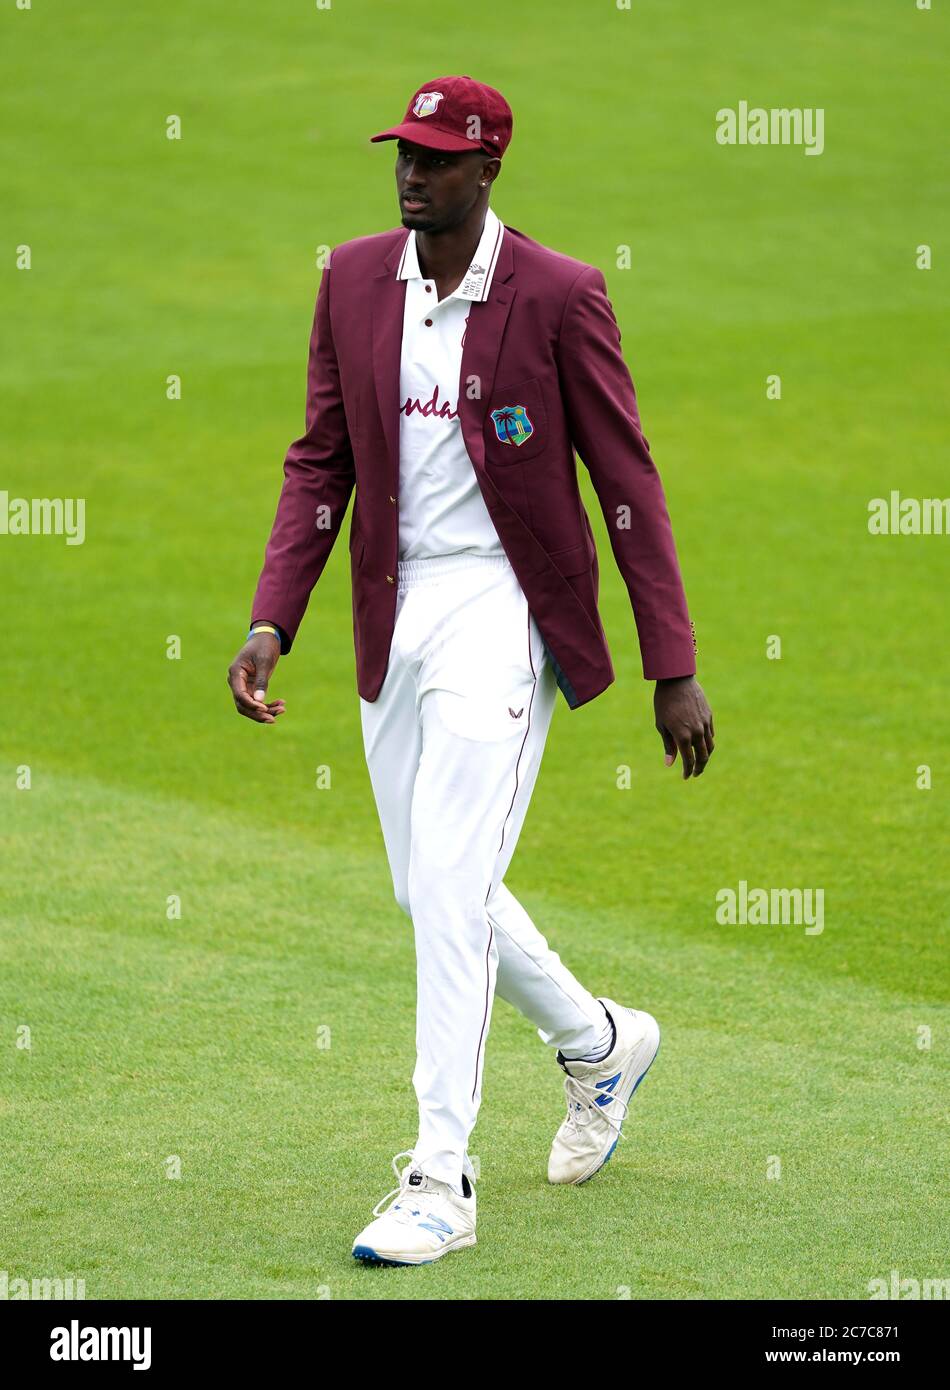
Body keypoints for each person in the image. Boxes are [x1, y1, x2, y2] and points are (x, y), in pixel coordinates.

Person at [228, 75, 714, 1267]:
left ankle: (439, 1177)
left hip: (505, 607)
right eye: (403, 152)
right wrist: (271, 620)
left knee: (448, 882)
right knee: (431, 888)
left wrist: (672, 663)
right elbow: (319, 461)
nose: (411, 173)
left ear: (487, 170)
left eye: (438, 159)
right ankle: (599, 1043)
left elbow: (625, 478)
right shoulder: (350, 279)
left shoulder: (556, 295)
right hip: (394, 612)